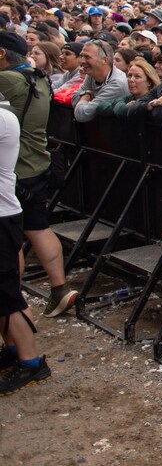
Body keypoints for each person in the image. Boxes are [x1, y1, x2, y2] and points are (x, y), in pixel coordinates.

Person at [0, 32, 76, 317]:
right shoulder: (40, 77)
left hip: (13, 169)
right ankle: (60, 289)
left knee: (11, 236)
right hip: (37, 162)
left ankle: (11, 297)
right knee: (38, 227)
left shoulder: (8, 80)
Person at [0, 104, 51, 394]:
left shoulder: (3, 118)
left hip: (3, 215)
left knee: (6, 292)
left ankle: (30, 362)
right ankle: (13, 348)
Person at [70, 39, 128, 123]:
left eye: (87, 57)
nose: (82, 61)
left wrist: (85, 95)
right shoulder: (92, 74)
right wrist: (87, 97)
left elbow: (82, 115)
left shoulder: (117, 83)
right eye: (81, 56)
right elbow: (74, 99)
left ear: (104, 60)